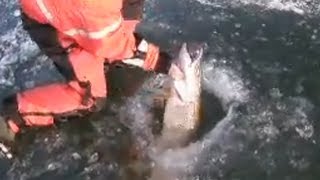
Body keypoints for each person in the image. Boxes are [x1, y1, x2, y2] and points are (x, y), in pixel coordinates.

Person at [0, 0, 172, 143]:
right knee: (91, 98)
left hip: (79, 15)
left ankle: (105, 52)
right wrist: (158, 60)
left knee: (119, 24)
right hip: (54, 24)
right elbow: (111, 45)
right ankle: (15, 114)